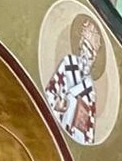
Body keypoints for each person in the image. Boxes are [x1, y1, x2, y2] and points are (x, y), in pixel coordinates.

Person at [43, 16, 104, 145]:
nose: (87, 55)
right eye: (86, 48)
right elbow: (49, 92)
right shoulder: (68, 63)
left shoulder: (90, 91)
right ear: (81, 46)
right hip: (52, 125)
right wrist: (58, 104)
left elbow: (89, 130)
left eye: (91, 54)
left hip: (71, 138)